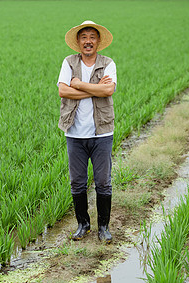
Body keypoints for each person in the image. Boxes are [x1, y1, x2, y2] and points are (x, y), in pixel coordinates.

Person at [57, 20, 116, 243]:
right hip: (74, 133)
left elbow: (108, 89)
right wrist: (95, 89)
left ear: (98, 41)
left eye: (92, 37)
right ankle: (83, 225)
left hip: (101, 133)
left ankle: (104, 227)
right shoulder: (68, 62)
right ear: (78, 42)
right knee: (77, 182)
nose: (88, 41)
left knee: (103, 181)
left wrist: (79, 85)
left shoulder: (108, 63)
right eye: (84, 37)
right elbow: (63, 91)